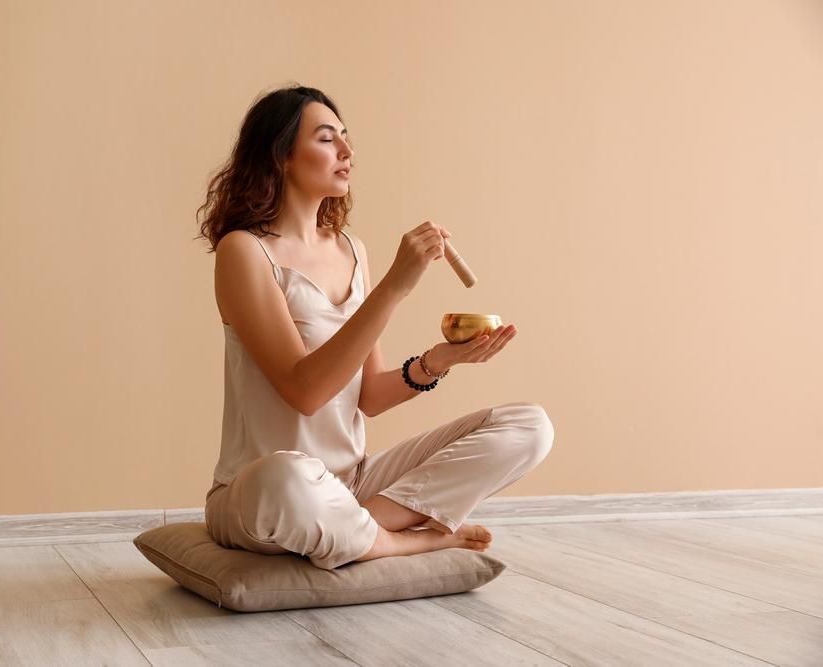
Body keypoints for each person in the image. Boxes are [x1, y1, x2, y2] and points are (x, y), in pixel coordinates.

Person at [194, 84, 554, 570]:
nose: (347, 151)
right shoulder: (245, 252)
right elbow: (304, 391)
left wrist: (441, 359)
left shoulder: (351, 250)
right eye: (326, 139)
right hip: (261, 490)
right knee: (287, 477)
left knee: (529, 426)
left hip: (353, 484)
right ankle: (410, 540)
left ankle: (358, 525)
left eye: (345, 137)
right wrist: (395, 287)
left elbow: (368, 397)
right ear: (281, 156)